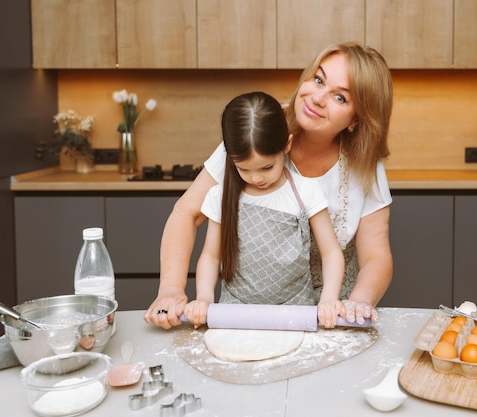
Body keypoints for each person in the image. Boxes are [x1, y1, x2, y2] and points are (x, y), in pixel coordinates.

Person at [145, 42, 394, 329]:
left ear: (356, 119)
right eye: (318, 80)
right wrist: (171, 290)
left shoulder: (365, 165)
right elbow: (187, 213)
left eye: (339, 97)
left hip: (331, 314)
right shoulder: (259, 131)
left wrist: (356, 303)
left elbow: (376, 257)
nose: (317, 98)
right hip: (250, 309)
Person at [182, 92, 344, 329]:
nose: (257, 178)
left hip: (296, 313)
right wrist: (205, 298)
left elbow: (331, 253)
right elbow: (211, 256)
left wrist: (328, 299)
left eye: (267, 167)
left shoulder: (306, 192)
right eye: (244, 169)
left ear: (286, 145)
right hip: (235, 316)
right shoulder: (221, 196)